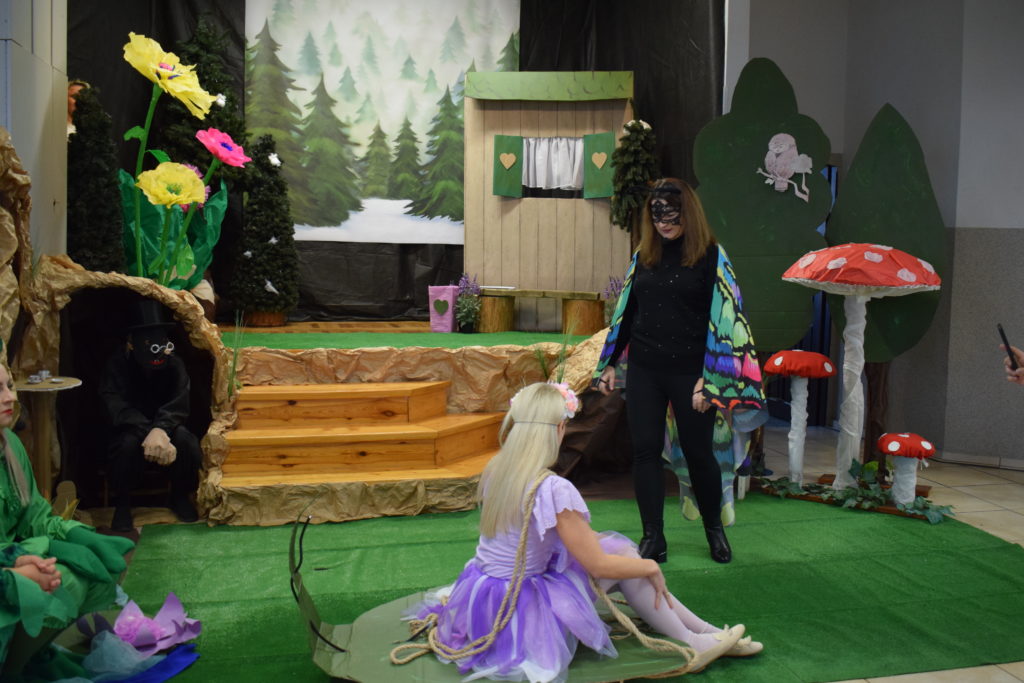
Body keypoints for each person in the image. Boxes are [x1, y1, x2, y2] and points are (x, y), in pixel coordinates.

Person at [403, 383, 761, 682]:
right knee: (626, 561)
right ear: (560, 429)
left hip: (486, 596)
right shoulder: (552, 489)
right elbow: (599, 565)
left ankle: (705, 632)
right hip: (521, 611)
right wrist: (650, 566)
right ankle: (694, 639)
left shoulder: (497, 468)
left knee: (617, 551)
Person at [594, 178, 764, 565]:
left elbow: (726, 321)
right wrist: (609, 363)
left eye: (671, 216)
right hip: (645, 370)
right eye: (657, 217)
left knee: (699, 452)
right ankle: (653, 536)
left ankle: (714, 529)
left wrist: (710, 379)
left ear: (689, 214)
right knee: (645, 451)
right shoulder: (644, 256)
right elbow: (628, 312)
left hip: (692, 375)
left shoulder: (712, 256)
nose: (664, 224)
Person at [0, 360, 134, 672]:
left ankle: (24, 662)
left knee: (88, 576)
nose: (11, 397)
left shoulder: (11, 445)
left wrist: (75, 535)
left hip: (13, 557)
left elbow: (33, 517)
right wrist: (13, 573)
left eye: (9, 385)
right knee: (58, 585)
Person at [99, 298, 201, 531]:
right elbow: (114, 405)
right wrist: (148, 431)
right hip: (130, 428)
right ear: (131, 343)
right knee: (125, 445)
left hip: (166, 428)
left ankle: (179, 496)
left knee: (186, 440)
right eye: (147, 341)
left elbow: (180, 402)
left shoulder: (174, 364)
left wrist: (161, 429)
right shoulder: (116, 365)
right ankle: (122, 503)